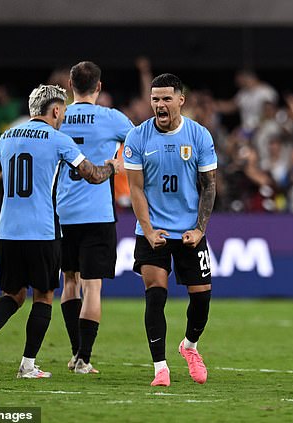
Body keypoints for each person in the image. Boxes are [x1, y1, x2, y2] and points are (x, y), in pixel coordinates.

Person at [0, 84, 121, 378]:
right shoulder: (58, 139)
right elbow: (91, 175)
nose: (63, 115)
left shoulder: (7, 136)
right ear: (54, 110)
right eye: (62, 110)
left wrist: (2, 158)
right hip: (42, 229)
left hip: (8, 230)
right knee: (43, 295)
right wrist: (112, 167)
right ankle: (27, 365)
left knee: (12, 294)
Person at [124, 73, 217, 387]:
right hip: (153, 232)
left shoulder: (199, 136)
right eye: (155, 99)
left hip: (190, 232)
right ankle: (160, 367)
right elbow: (135, 190)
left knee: (202, 300)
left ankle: (189, 346)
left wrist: (200, 229)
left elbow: (209, 186)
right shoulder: (137, 137)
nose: (159, 105)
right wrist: (148, 230)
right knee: (155, 296)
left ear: (181, 100)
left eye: (166, 98)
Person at [57, 61, 134, 374]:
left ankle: (76, 352)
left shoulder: (57, 117)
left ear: (70, 86)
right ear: (99, 87)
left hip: (62, 211)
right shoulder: (112, 117)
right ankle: (84, 359)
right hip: (98, 213)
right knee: (93, 286)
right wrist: (118, 163)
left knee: (70, 281)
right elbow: (141, 144)